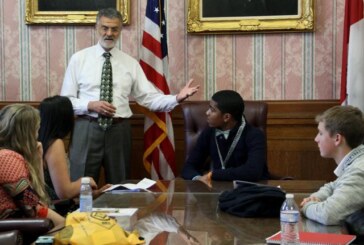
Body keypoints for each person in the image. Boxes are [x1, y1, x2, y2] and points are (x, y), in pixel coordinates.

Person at [60, 8, 199, 184]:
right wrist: (90, 105)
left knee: (120, 187)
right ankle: (80, 213)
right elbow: (66, 101)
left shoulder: (130, 63)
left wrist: (176, 98)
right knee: (82, 186)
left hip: (119, 130)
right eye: (105, 28)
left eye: (114, 29)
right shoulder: (79, 59)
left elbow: (148, 98)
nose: (109, 33)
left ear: (120, 30)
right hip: (86, 128)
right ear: (96, 27)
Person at [38, 95, 112, 215]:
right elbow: (64, 192)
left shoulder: (42, 140)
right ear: (65, 118)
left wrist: (95, 194)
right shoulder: (55, 143)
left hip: (55, 208)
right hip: (56, 213)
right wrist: (86, 181)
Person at [181, 90, 269, 185]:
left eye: (212, 110)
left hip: (250, 190)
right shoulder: (209, 132)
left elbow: (253, 171)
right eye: (208, 108)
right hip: (218, 190)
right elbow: (189, 166)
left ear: (226, 117)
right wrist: (198, 178)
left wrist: (213, 175)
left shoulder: (255, 135)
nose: (207, 113)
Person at [0, 104, 64, 231]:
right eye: (36, 130)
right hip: (11, 230)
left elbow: (40, 200)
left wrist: (38, 158)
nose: (37, 136)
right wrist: (68, 225)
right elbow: (34, 209)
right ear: (27, 134)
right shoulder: (7, 158)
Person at [300, 105, 364, 225]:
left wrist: (307, 206)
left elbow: (328, 215)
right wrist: (317, 197)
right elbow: (333, 186)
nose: (316, 139)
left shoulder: (359, 170)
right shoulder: (356, 161)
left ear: (337, 139)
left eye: (320, 133)